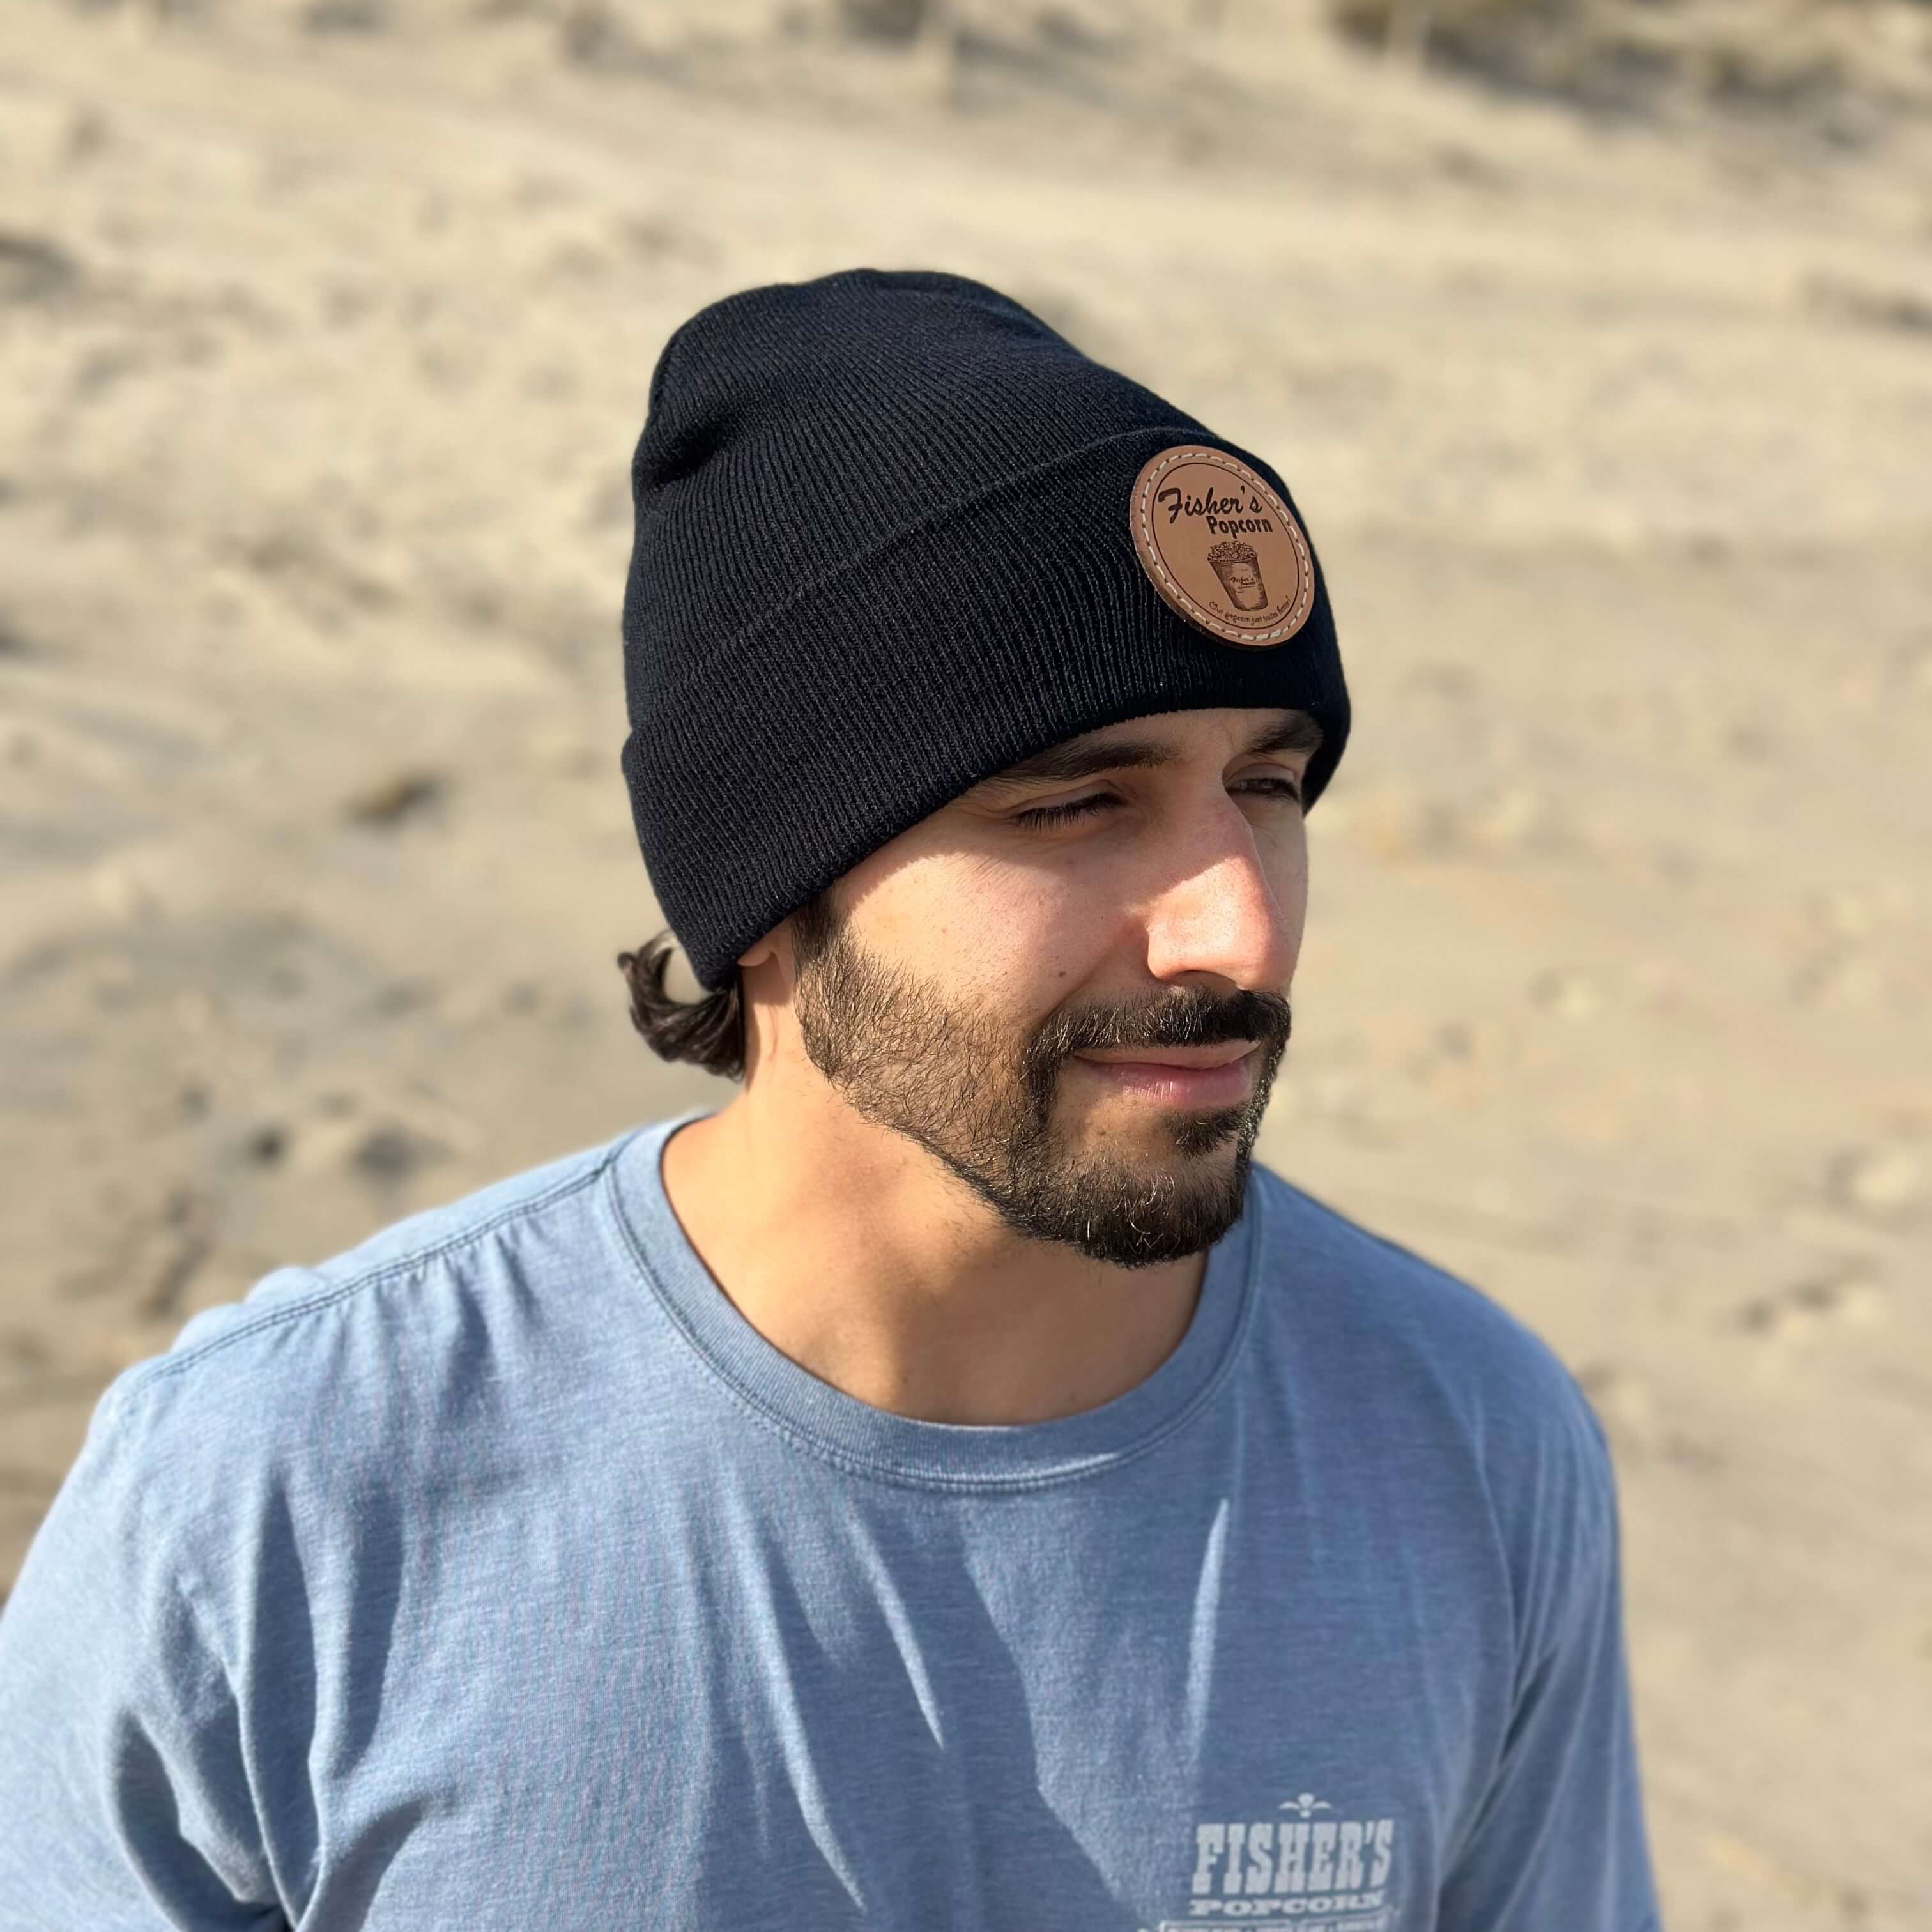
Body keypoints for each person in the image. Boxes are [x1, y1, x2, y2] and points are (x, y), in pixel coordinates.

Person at [0, 270, 1660, 1931]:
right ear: (771, 888)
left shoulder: (1466, 1449)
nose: (1242, 928)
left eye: (1269, 785)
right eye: (1080, 803)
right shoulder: (277, 1504)